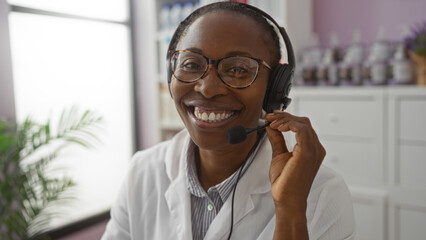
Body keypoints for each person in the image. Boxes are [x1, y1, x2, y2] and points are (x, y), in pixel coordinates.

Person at [102, 2, 355, 240]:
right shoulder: (142, 171)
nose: (208, 89)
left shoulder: (323, 193)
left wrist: (290, 211)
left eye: (238, 69)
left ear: (274, 90)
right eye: (191, 63)